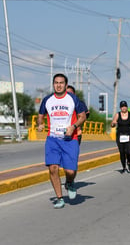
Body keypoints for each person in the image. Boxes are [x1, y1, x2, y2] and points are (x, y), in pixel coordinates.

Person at [37, 73, 87, 209]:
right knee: (53, 168)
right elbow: (40, 116)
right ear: (53, 84)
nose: (58, 85)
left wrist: (74, 127)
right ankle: (59, 198)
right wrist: (40, 124)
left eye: (61, 83)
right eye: (56, 83)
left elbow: (82, 117)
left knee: (70, 171)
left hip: (70, 139)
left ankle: (69, 183)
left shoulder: (73, 99)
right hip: (52, 139)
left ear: (65, 85)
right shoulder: (47, 100)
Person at [111, 100, 130, 173]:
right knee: (122, 152)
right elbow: (112, 124)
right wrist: (113, 123)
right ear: (120, 108)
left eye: (125, 106)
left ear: (127, 107)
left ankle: (129, 162)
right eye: (122, 107)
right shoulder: (118, 115)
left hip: (129, 135)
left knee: (129, 151)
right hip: (120, 135)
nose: (123, 108)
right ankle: (123, 167)